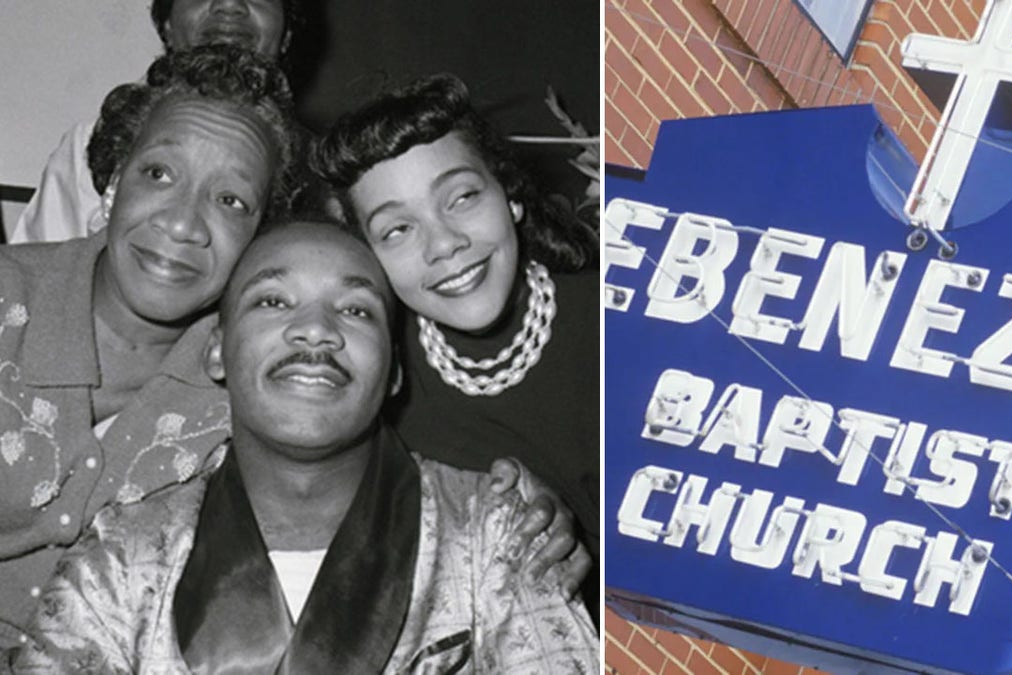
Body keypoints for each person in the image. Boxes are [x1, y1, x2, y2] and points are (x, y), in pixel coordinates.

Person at [8, 220, 600, 673]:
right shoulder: (122, 557)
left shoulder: (493, 533)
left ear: (395, 371)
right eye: (272, 301)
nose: (316, 329)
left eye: (355, 309)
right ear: (216, 350)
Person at [0, 44, 296, 648]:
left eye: (230, 200)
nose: (183, 224)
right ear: (112, 183)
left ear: (260, 239)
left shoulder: (258, 388)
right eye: (159, 174)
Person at [312, 73, 601, 621]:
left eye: (462, 197)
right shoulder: (379, 388)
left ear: (511, 195)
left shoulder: (617, 322)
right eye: (397, 230)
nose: (445, 244)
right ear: (367, 256)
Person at [8, 0, 301, 244]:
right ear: (167, 25)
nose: (229, 5)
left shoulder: (322, 175)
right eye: (157, 174)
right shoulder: (85, 151)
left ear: (286, 34)